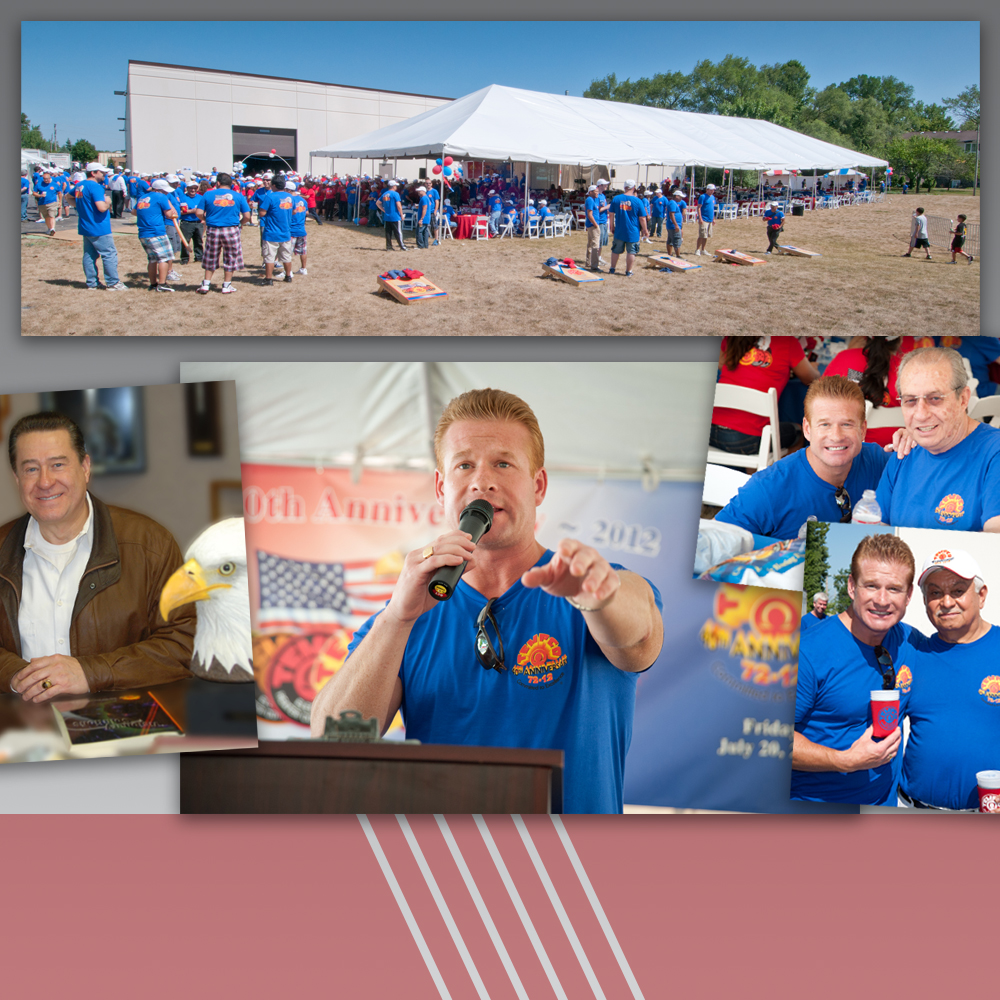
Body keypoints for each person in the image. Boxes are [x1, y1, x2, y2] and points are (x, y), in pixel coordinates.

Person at [309, 388, 664, 814]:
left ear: (538, 485)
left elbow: (641, 640)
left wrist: (598, 598)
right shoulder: (406, 612)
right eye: (464, 465)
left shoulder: (589, 585)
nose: (482, 480)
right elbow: (334, 741)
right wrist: (396, 619)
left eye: (503, 463)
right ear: (442, 488)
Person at [0, 412, 196, 702]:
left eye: (57, 464)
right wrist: (15, 675)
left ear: (85, 467)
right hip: (25, 729)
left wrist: (90, 672)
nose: (45, 481)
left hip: (124, 723)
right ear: (17, 478)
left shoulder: (149, 544)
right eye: (31, 469)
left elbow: (185, 644)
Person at [791, 533, 920, 805]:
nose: (882, 600)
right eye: (871, 586)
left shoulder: (910, 642)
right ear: (851, 586)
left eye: (894, 589)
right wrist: (844, 760)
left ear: (908, 595)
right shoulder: (808, 652)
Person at [715, 376, 890, 540]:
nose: (836, 436)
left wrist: (913, 441)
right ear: (807, 429)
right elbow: (714, 540)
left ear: (863, 430)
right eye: (825, 424)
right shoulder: (769, 488)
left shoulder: (879, 462)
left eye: (847, 424)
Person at [899, 549, 1000, 810]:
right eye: (934, 593)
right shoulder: (913, 653)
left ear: (981, 595)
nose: (946, 602)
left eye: (957, 590)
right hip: (913, 809)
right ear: (924, 602)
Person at [876, 347, 1000, 532]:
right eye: (910, 400)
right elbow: (876, 531)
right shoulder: (903, 453)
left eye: (935, 398)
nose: (920, 414)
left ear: (963, 399)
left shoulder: (993, 453)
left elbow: (993, 546)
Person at [710, 335, 818, 457]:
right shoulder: (788, 342)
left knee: (754, 431)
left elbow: (721, 365)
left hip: (710, 432)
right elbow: (810, 378)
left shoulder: (733, 338)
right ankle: (770, 475)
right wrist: (812, 368)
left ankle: (754, 472)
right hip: (745, 440)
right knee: (799, 432)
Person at [824, 337, 907, 447]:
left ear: (865, 337)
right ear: (899, 340)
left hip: (846, 449)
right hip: (899, 450)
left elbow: (821, 404)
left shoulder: (845, 359)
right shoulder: (908, 367)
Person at [72, 162, 127, 292]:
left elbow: (69, 197)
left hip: (86, 226)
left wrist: (81, 207)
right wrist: (108, 202)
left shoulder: (80, 185)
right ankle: (113, 282)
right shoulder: (95, 187)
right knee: (109, 254)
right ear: (94, 173)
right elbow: (102, 207)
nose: (104, 175)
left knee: (89, 255)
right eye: (102, 172)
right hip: (99, 227)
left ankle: (92, 283)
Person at [197, 172, 250, 295]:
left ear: (218, 183)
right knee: (231, 257)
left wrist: (206, 219)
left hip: (213, 228)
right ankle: (226, 285)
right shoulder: (238, 196)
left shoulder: (208, 194)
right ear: (231, 184)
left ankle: (206, 283)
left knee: (211, 256)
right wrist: (241, 223)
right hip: (231, 229)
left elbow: (199, 213)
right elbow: (247, 215)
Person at [135, 178, 182, 292]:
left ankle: (153, 283)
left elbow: (134, 211)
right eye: (164, 190)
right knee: (164, 259)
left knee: (152, 259)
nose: (167, 192)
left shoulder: (143, 198)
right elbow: (169, 214)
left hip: (143, 232)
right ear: (157, 189)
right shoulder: (161, 197)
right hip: (156, 232)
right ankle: (162, 284)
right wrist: (172, 209)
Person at [257, 175, 295, 285]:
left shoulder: (270, 197)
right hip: (286, 231)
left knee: (269, 256)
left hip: (271, 231)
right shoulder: (290, 197)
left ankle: (268, 279)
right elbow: (294, 211)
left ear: (273, 185)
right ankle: (288, 276)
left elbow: (262, 212)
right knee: (286, 255)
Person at [607, 179, 647, 278]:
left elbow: (611, 214)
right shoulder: (638, 201)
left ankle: (612, 268)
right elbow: (642, 218)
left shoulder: (616, 199)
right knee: (631, 251)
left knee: (616, 250)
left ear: (624, 187)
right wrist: (645, 230)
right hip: (633, 231)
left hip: (620, 229)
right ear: (633, 188)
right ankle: (628, 271)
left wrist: (612, 226)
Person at [177, 178, 206, 266]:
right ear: (187, 189)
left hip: (198, 222)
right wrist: (192, 211)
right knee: (185, 241)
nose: (192, 190)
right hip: (186, 222)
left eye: (194, 188)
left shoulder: (201, 198)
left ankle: (199, 257)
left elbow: (205, 209)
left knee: (199, 241)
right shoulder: (183, 198)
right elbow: (180, 212)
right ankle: (184, 259)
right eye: (190, 188)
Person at [287, 182, 309, 275]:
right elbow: (307, 213)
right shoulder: (303, 200)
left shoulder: (289, 200)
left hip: (291, 229)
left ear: (288, 190)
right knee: (303, 251)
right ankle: (303, 269)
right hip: (301, 229)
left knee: (287, 252)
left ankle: (287, 271)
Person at [380, 179, 407, 251]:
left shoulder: (385, 194)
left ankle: (389, 246)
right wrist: (401, 215)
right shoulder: (395, 194)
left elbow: (378, 203)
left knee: (388, 233)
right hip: (395, 216)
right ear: (393, 186)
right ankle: (402, 246)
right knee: (398, 232)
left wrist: (383, 210)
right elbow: (399, 205)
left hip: (387, 216)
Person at [35, 169, 62, 236]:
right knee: (46, 217)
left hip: (52, 202)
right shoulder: (39, 184)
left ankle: (53, 228)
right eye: (44, 179)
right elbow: (34, 193)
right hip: (42, 203)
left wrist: (60, 201)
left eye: (47, 178)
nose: (45, 180)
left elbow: (59, 193)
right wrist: (39, 195)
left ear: (50, 178)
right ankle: (49, 228)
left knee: (51, 215)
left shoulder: (54, 184)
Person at [695, 183, 717, 256]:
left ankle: (703, 249)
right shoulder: (702, 197)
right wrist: (700, 218)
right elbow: (699, 208)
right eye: (711, 190)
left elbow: (712, 208)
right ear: (707, 189)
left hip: (710, 219)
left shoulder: (713, 197)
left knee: (706, 235)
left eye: (713, 190)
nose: (712, 191)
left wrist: (713, 218)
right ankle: (697, 249)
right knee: (702, 235)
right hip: (704, 218)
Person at [584, 184, 601, 271]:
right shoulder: (590, 200)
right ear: (590, 192)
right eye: (596, 191)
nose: (597, 193)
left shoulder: (591, 199)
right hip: (592, 225)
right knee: (595, 245)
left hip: (591, 225)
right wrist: (596, 225)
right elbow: (590, 215)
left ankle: (589, 262)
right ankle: (594, 265)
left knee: (590, 244)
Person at [415, 185, 432, 249]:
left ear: (423, 191)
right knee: (425, 231)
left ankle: (420, 245)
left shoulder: (424, 198)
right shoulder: (426, 198)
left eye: (419, 191)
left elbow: (424, 208)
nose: (418, 192)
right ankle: (425, 245)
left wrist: (421, 219)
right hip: (426, 218)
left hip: (423, 218)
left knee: (419, 231)